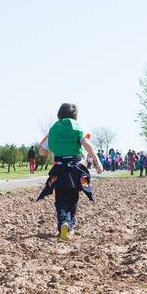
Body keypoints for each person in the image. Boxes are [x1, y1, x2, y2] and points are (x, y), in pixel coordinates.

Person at [37, 103, 104, 240]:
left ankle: (64, 223)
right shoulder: (78, 127)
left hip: (59, 169)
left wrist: (50, 144)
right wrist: (97, 161)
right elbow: (87, 144)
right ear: (76, 116)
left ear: (59, 115)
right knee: (73, 199)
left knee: (60, 200)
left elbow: (42, 152)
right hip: (76, 169)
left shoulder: (53, 130)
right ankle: (69, 226)